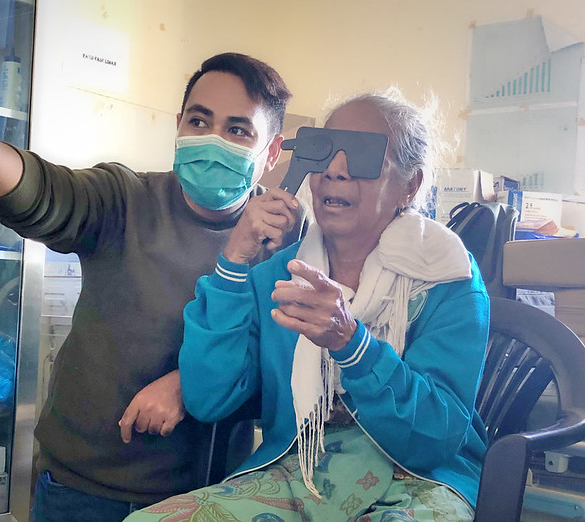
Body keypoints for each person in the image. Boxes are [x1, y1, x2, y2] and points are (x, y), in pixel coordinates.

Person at [0, 52, 311, 521]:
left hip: (205, 498)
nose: (213, 140)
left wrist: (189, 388)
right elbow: (43, 194)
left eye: (238, 130)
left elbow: (286, 381)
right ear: (179, 125)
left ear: (272, 151)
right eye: (199, 120)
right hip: (82, 490)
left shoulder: (280, 242)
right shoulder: (125, 200)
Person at [127, 89, 490, 521]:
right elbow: (209, 399)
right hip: (300, 472)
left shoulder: (447, 278)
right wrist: (233, 261)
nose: (335, 171)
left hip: (420, 480)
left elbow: (437, 438)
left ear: (408, 186)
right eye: (325, 152)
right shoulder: (280, 276)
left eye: (361, 156)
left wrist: (354, 346)